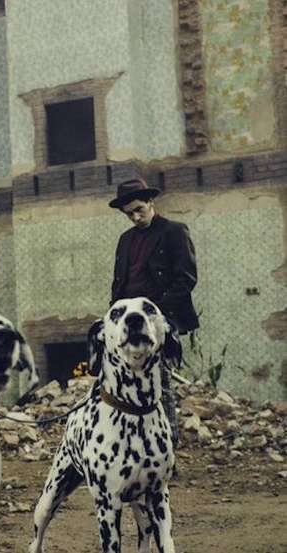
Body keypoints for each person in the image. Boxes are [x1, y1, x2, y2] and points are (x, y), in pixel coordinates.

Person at [109, 178, 199, 446]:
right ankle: (133, 445)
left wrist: (156, 314)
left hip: (158, 320)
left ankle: (167, 445)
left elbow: (186, 279)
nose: (136, 217)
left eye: (140, 209)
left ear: (151, 202)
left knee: (160, 382)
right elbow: (119, 283)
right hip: (128, 322)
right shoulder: (125, 240)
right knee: (125, 383)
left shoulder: (174, 231)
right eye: (129, 214)